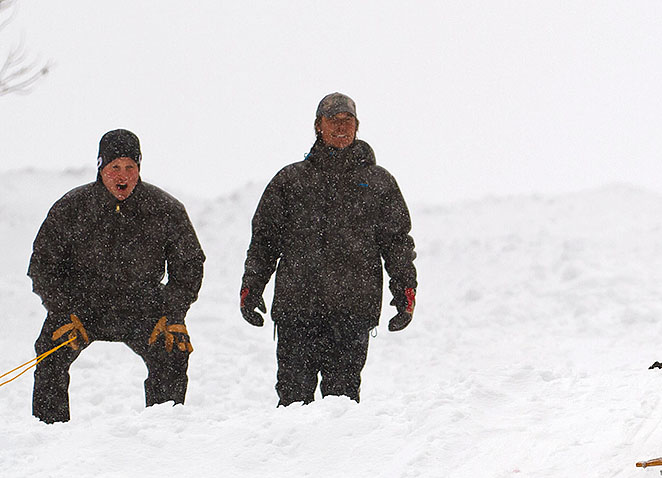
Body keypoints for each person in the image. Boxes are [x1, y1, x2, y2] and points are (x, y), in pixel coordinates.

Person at [240, 92, 417, 406]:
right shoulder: (291, 180)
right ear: (317, 126)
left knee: (341, 407)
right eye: (332, 120)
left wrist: (405, 290)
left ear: (357, 126)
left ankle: (338, 458)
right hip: (297, 312)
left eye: (347, 120)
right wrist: (252, 287)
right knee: (293, 403)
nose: (340, 126)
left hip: (351, 314)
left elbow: (397, 243)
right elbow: (265, 241)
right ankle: (290, 456)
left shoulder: (378, 183)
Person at [28, 129, 205, 423]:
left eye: (130, 168)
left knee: (173, 352)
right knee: (50, 352)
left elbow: (189, 265)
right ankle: (50, 433)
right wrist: (61, 312)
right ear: (101, 168)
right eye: (115, 167)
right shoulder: (72, 207)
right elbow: (43, 265)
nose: (122, 176)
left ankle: (164, 429)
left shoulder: (165, 209)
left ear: (138, 169)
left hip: (144, 307)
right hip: (80, 308)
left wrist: (173, 313)